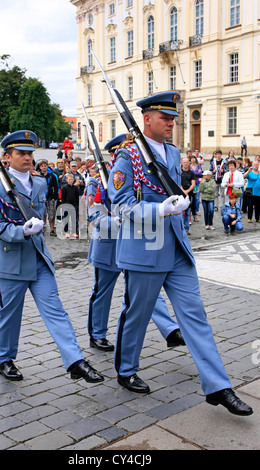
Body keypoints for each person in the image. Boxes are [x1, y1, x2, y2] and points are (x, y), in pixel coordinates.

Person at [107, 92, 252, 416]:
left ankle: (218, 386)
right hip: (145, 249)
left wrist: (181, 205)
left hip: (175, 247)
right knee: (138, 315)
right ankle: (126, 369)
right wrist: (159, 209)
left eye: (173, 117)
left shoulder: (172, 153)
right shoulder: (127, 157)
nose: (172, 122)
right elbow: (121, 204)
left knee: (195, 315)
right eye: (165, 117)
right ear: (146, 119)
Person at [0, 130, 103, 384]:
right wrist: (21, 231)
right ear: (7, 156)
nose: (28, 158)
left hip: (38, 258)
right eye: (21, 153)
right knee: (10, 312)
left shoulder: (38, 182)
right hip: (11, 260)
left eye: (30, 153)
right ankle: (5, 358)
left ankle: (75, 361)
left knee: (56, 310)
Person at [87, 135, 185, 353]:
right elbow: (94, 216)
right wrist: (118, 221)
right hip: (109, 244)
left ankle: (169, 329)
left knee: (147, 291)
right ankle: (97, 333)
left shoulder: (136, 175)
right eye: (117, 154)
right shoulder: (95, 182)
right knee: (103, 290)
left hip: (134, 241)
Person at [38, 159, 58, 237]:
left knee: (51, 213)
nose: (44, 167)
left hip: (50, 197)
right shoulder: (38, 176)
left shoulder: (52, 176)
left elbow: (55, 187)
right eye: (42, 166)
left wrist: (54, 196)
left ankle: (52, 229)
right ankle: (42, 229)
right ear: (40, 167)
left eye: (45, 166)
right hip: (41, 197)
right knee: (42, 214)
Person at [61, 172, 79, 239]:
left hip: (74, 205)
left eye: (72, 179)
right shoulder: (64, 187)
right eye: (69, 179)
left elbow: (77, 196)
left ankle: (74, 232)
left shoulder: (75, 188)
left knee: (74, 219)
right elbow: (63, 197)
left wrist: (77, 204)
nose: (71, 180)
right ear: (66, 180)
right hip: (66, 205)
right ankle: (66, 232)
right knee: (66, 219)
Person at [181, 156, 196, 234]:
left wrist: (187, 191)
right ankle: (180, 228)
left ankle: (186, 228)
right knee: (180, 212)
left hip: (190, 194)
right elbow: (178, 183)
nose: (186, 164)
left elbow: (193, 184)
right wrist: (183, 191)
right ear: (182, 163)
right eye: (184, 162)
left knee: (187, 212)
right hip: (180, 194)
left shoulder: (191, 173)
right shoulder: (179, 172)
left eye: (187, 162)